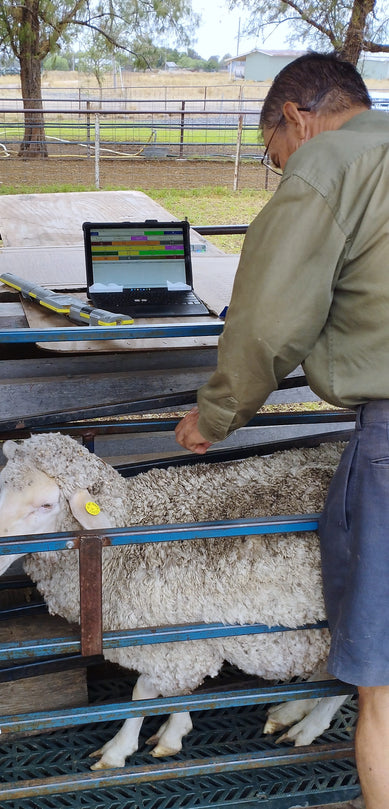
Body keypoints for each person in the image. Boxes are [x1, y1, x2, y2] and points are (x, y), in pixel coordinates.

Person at [175, 52, 389, 808]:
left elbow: (268, 318)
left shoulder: (329, 161)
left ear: (296, 117)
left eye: (273, 155)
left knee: (383, 688)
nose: (280, 169)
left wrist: (215, 412)